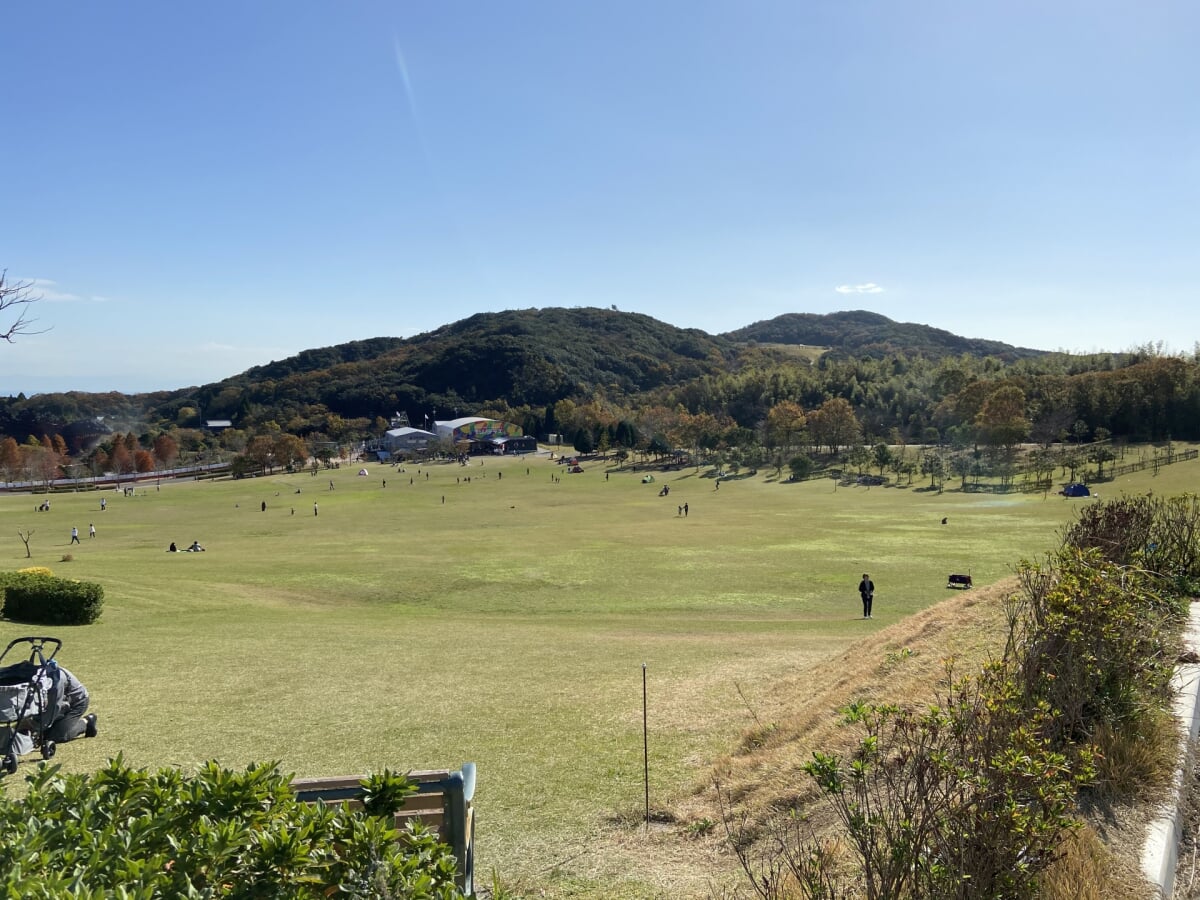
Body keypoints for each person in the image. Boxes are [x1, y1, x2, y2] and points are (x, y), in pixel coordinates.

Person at [46, 666, 98, 744]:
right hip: (62, 703)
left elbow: (56, 707)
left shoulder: (57, 678)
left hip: (77, 703)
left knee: (56, 736)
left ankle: (87, 721)